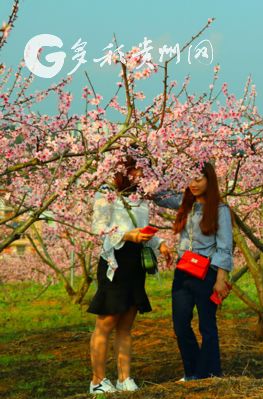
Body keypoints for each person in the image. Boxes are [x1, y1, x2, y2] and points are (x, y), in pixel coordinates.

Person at [88, 157, 172, 394]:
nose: (138, 175)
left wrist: (160, 244)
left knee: (126, 324)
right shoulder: (107, 192)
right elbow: (99, 227)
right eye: (135, 170)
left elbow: (143, 228)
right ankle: (98, 380)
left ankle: (124, 378)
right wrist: (128, 236)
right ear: (123, 169)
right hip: (115, 262)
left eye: (141, 171)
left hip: (135, 263)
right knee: (106, 322)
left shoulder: (142, 196)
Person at [152, 161, 233, 381]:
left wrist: (220, 278)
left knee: (207, 325)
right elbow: (157, 195)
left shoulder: (220, 210)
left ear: (210, 179)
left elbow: (225, 246)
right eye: (189, 178)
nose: (194, 184)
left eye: (199, 178)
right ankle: (194, 371)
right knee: (180, 324)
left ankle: (211, 372)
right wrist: (154, 167)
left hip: (207, 271)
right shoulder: (184, 203)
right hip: (183, 270)